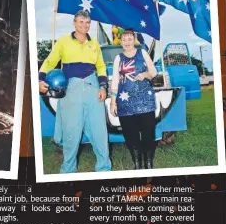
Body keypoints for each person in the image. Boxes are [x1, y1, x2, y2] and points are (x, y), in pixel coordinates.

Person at [38, 10, 110, 174]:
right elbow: (50, 62)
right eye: (81, 22)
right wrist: (40, 79)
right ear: (74, 22)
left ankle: (104, 168)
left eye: (87, 23)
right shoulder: (63, 41)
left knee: (99, 131)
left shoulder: (95, 44)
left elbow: (100, 66)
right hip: (71, 89)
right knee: (71, 131)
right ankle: (68, 171)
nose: (84, 25)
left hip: (93, 88)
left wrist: (103, 86)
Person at [109, 27, 160, 170]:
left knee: (148, 133)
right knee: (130, 135)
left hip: (145, 100)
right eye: (124, 39)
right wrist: (113, 102)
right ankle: (137, 165)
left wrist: (145, 75)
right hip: (125, 103)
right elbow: (115, 81)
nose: (127, 42)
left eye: (129, 39)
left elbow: (153, 71)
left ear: (134, 40)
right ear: (120, 41)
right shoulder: (118, 58)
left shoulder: (142, 53)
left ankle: (148, 164)